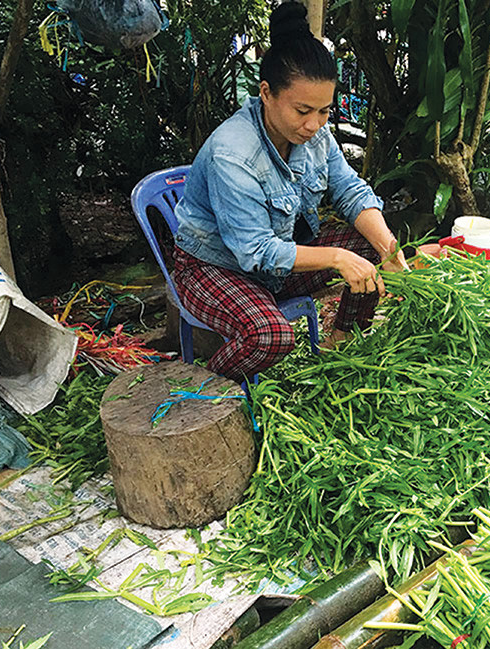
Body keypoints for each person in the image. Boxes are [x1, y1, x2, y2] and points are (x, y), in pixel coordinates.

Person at [171, 2, 407, 382]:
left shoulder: (314, 136)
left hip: (273, 269)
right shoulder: (231, 153)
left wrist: (389, 250)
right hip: (213, 267)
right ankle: (205, 394)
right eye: (302, 111)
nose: (314, 124)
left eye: (325, 111)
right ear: (266, 93)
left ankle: (340, 345)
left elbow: (348, 189)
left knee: (370, 245)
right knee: (270, 337)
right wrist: (335, 257)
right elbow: (256, 252)